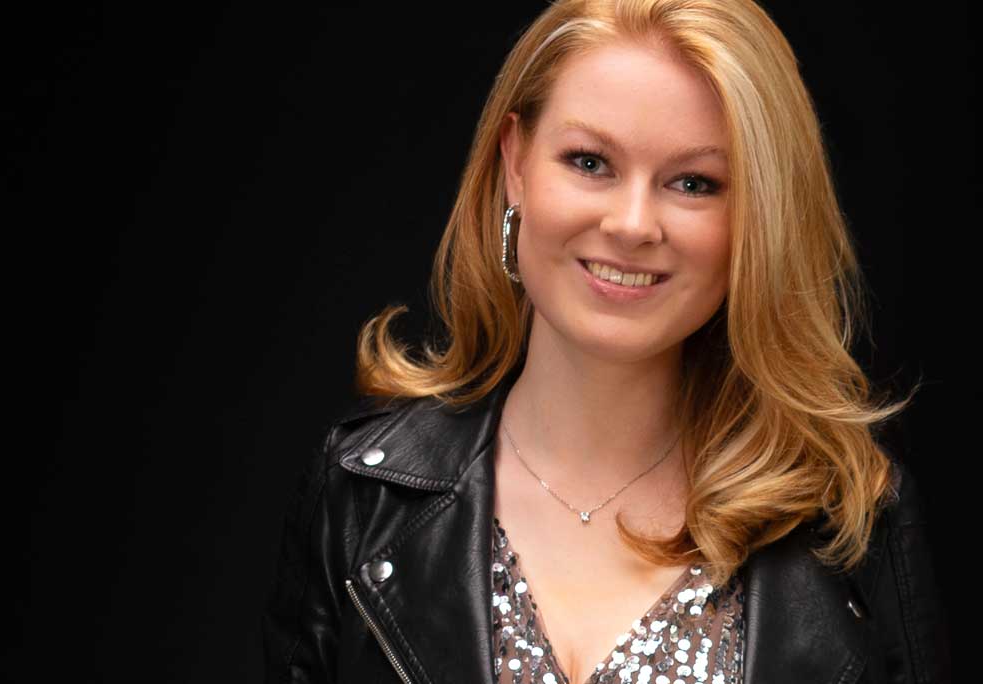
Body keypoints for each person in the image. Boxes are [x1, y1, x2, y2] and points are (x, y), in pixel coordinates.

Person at [263, 1, 951, 682]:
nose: (632, 224)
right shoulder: (361, 495)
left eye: (693, 183)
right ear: (515, 164)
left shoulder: (855, 526)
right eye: (590, 162)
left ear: (758, 216)